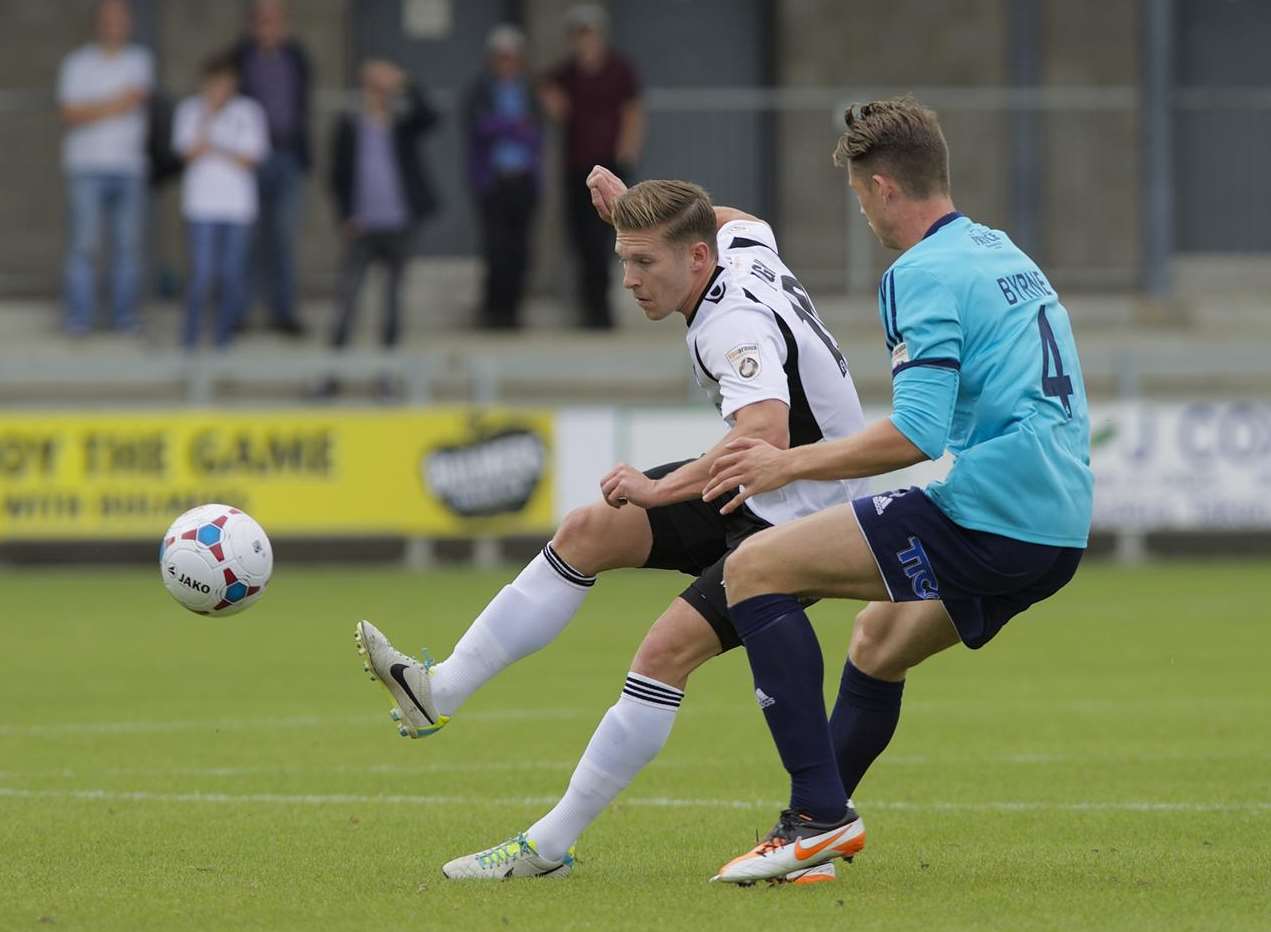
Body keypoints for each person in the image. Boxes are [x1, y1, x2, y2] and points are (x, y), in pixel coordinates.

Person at [354, 168, 867, 881]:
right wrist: (638, 212)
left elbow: (766, 433)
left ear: (694, 257)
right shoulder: (738, 245)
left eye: (642, 261)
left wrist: (660, 495)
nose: (628, 278)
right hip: (759, 488)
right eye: (623, 257)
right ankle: (437, 690)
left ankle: (548, 847)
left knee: (660, 655)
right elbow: (735, 212)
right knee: (589, 529)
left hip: (803, 508)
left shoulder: (732, 325)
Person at [699, 97, 1094, 884]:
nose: (860, 213)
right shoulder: (1000, 251)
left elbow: (915, 435)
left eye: (854, 195)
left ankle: (817, 821)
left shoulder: (917, 272)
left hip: (993, 511)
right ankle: (809, 845)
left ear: (881, 187)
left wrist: (784, 465)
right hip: (1058, 522)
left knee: (753, 570)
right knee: (877, 643)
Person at [323, 59, 438, 387]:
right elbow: (337, 176)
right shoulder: (349, 125)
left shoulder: (402, 123)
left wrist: (405, 80)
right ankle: (331, 375)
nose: (378, 94)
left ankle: (386, 377)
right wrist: (345, 215)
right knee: (346, 303)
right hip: (362, 228)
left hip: (399, 225)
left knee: (392, 307)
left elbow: (431, 116)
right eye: (373, 88)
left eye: (383, 89)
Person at [540, 5, 643, 329]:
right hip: (578, 166)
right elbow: (543, 84)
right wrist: (554, 103)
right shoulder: (567, 72)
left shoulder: (619, 69)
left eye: (590, 34)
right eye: (579, 35)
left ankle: (603, 311)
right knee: (582, 239)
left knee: (609, 237)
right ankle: (590, 308)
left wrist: (627, 149)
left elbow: (633, 111)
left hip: (610, 164)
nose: (585, 41)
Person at [57, 0, 154, 336]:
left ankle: (124, 318)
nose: (115, 25)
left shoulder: (140, 61)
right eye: (109, 19)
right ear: (99, 23)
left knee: (127, 247)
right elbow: (70, 113)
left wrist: (94, 108)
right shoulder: (77, 63)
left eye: (121, 19)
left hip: (129, 167)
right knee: (83, 245)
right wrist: (117, 104)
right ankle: (78, 318)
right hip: (86, 166)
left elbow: (137, 101)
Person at [173, 54, 269, 349]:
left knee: (231, 278)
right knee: (201, 276)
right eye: (214, 85)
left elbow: (251, 157)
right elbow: (187, 152)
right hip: (201, 206)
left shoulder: (249, 111)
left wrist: (216, 148)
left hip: (237, 208)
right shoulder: (190, 110)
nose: (220, 91)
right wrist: (208, 119)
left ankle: (223, 342)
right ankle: (189, 342)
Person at [234, 0, 311, 336]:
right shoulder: (239, 58)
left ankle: (283, 310)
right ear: (253, 24)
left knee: (282, 237)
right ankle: (241, 311)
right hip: (250, 160)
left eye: (275, 19)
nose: (269, 26)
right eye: (263, 19)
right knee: (247, 239)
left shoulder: (297, 58)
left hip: (288, 156)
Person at [463, 25, 543, 330]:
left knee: (519, 249)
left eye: (512, 57)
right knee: (494, 247)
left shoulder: (528, 90)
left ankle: (513, 309)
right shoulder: (481, 89)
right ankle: (493, 309)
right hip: (493, 181)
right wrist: (512, 126)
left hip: (522, 179)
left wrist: (505, 127)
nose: (507, 63)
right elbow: (479, 128)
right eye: (501, 57)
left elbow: (535, 133)